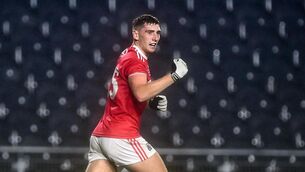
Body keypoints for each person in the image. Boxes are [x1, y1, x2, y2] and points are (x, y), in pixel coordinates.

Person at [85, 14, 188, 172]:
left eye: (158, 32)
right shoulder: (136, 60)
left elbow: (130, 94)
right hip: (121, 137)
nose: (155, 37)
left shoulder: (129, 54)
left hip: (101, 136)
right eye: (149, 32)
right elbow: (140, 93)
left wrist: (150, 100)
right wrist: (174, 76)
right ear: (135, 34)